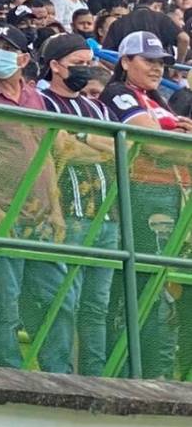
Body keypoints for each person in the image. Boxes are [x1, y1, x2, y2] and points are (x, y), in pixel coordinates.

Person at [0, 25, 68, 372]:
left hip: (39, 216)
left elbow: (46, 155)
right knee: (3, 301)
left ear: (23, 58)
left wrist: (56, 208)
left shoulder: (35, 97)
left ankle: (58, 373)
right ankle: (5, 370)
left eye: (7, 48)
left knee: (55, 299)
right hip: (1, 211)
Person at [101, 31, 192, 378]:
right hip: (143, 194)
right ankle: (151, 374)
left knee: (167, 286)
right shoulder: (119, 93)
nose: (156, 68)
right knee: (153, 287)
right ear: (125, 61)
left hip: (173, 196)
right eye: (148, 60)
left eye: (161, 62)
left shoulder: (156, 99)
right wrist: (179, 138)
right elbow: (154, 144)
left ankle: (161, 371)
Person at [39, 33, 115, 377]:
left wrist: (80, 137)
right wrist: (93, 144)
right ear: (55, 66)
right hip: (66, 212)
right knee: (62, 300)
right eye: (78, 64)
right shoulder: (41, 101)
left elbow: (123, 152)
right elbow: (59, 148)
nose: (86, 70)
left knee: (96, 306)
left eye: (89, 63)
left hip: (106, 215)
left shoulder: (97, 106)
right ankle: (59, 373)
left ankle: (94, 376)